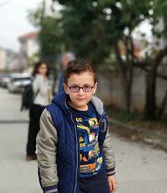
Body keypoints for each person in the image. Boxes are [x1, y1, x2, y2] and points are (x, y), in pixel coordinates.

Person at [36, 59, 117, 193]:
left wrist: (110, 172)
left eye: (86, 87)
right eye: (74, 87)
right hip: (69, 182)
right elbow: (46, 153)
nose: (80, 92)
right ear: (66, 87)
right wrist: (50, 187)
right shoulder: (52, 114)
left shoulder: (98, 110)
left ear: (94, 88)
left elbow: (105, 142)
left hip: (98, 179)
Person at [26, 61, 51, 161]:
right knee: (35, 131)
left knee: (38, 131)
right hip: (37, 107)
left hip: (42, 106)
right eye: (41, 68)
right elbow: (44, 92)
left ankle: (33, 153)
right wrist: (46, 85)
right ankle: (30, 153)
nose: (43, 70)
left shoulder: (44, 78)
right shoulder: (39, 78)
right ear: (37, 69)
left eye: (45, 68)